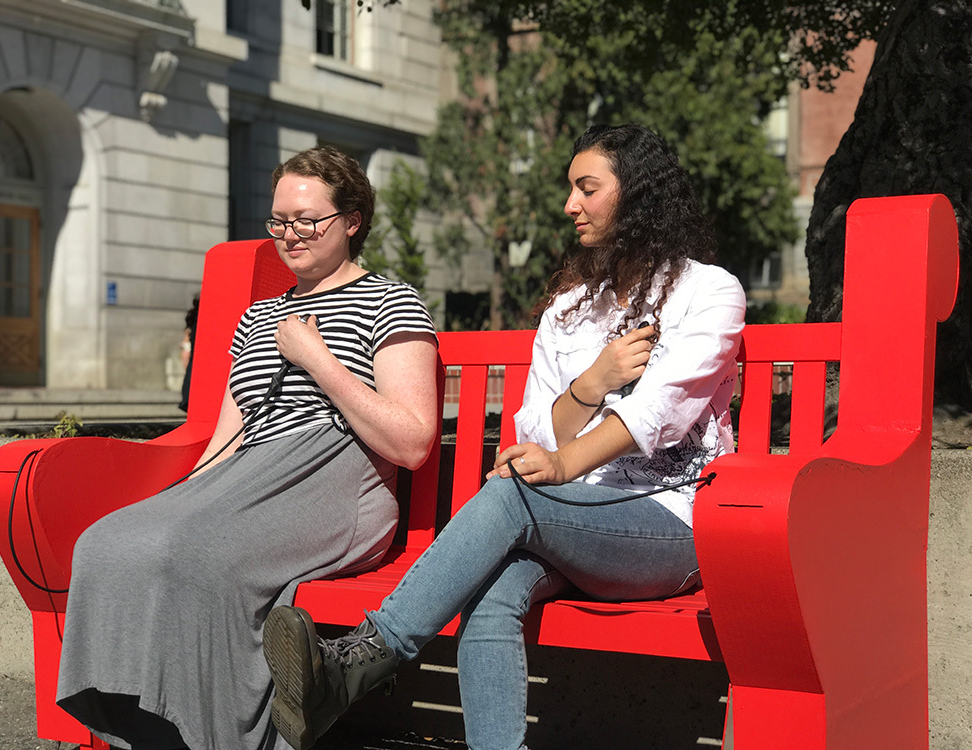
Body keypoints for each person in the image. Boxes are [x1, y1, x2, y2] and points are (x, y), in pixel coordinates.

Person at [262, 123, 746, 750]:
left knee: (516, 493)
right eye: (571, 189)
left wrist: (560, 466)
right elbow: (537, 430)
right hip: (568, 525)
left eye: (587, 188)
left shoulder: (708, 291)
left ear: (638, 196)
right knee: (493, 588)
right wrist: (589, 386)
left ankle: (365, 657)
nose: (570, 204)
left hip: (669, 524)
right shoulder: (572, 308)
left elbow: (662, 414)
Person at [54, 146, 439, 750]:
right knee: (105, 542)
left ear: (352, 219)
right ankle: (152, 732)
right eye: (279, 220)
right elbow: (229, 438)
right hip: (250, 478)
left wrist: (316, 358)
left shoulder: (390, 301)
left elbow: (413, 442)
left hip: (336, 475)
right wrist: (182, 498)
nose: (290, 234)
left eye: (307, 220)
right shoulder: (258, 316)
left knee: (199, 558)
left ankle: (226, 735)